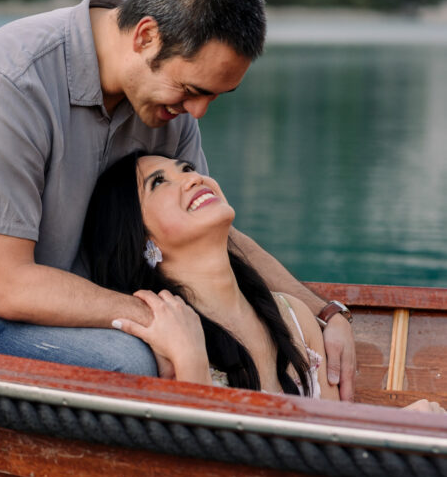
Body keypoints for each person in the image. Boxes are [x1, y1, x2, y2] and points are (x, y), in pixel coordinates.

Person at [0, 0, 356, 395]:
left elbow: (213, 232)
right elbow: (6, 285)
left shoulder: (170, 109)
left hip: (80, 303)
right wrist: (167, 320)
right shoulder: (7, 83)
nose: (199, 112)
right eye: (192, 90)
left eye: (213, 96)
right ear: (146, 36)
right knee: (134, 362)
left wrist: (323, 312)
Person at [82, 152, 445, 414]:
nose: (193, 177)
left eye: (187, 168)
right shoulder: (162, 339)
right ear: (142, 239)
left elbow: (333, 450)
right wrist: (192, 364)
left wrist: (404, 425)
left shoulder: (294, 317)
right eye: (159, 182)